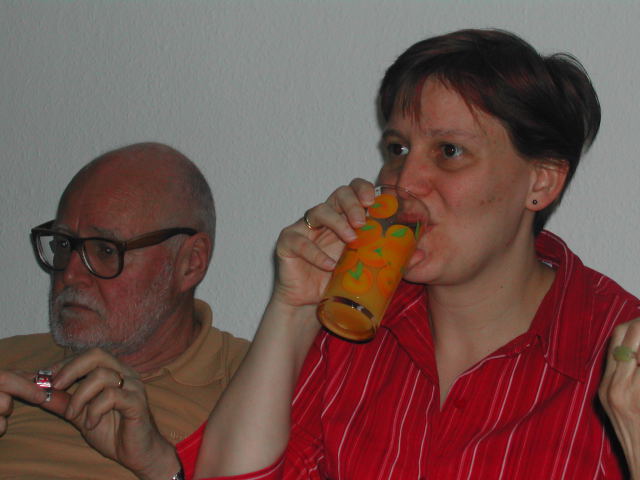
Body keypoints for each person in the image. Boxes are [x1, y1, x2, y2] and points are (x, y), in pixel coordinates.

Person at [168, 29, 640, 479]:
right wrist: (294, 311)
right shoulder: (352, 330)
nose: (404, 181)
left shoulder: (617, 353)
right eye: (398, 149)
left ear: (541, 182)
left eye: (449, 150)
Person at [0, 142, 249, 479]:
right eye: (63, 244)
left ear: (190, 263)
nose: (70, 274)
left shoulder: (261, 386)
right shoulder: (8, 361)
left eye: (105, 250)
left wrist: (161, 467)